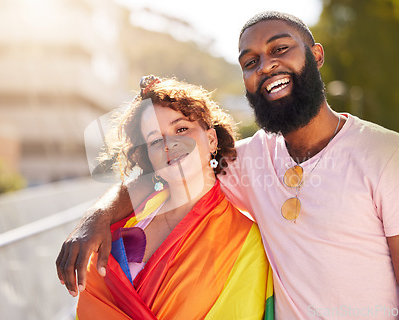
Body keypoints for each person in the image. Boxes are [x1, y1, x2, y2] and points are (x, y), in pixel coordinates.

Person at [57, 11, 399, 319]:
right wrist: (95, 221)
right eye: (250, 61)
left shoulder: (391, 155)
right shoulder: (251, 159)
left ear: (316, 54)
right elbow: (160, 177)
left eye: (281, 49)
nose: (267, 65)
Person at [73, 76, 274, 319]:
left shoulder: (246, 241)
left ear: (211, 139)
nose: (169, 144)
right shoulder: (123, 221)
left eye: (181, 129)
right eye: (156, 140)